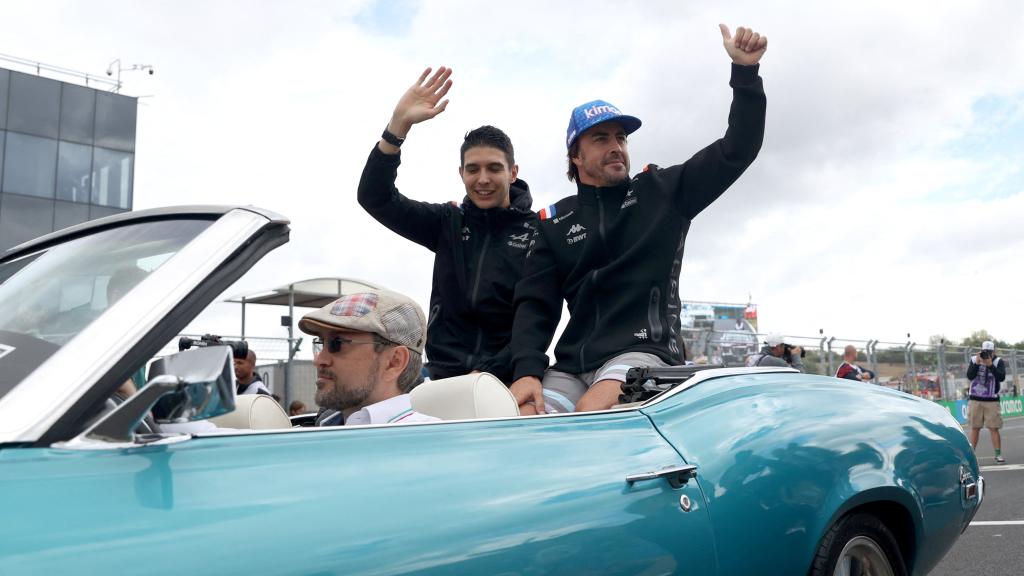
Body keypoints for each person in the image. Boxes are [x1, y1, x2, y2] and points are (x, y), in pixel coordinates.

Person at [509, 24, 768, 414]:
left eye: (621, 138)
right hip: (573, 365)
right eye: (601, 139)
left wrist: (745, 74)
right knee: (524, 419)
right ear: (575, 157)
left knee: (590, 412)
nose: (616, 147)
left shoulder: (663, 190)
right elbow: (535, 305)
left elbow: (737, 149)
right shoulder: (555, 222)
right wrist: (527, 370)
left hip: (644, 351)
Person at [357, 66, 537, 383]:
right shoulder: (446, 222)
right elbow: (375, 197)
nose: (483, 179)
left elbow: (538, 319)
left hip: (506, 377)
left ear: (513, 172)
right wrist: (398, 127)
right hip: (441, 375)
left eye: (494, 168)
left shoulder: (540, 234)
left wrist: (488, 374)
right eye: (473, 169)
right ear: (461, 174)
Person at [298, 287, 439, 426]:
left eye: (337, 343)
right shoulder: (324, 429)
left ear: (394, 362)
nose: (318, 360)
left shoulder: (430, 441)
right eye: (321, 342)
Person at [967, 340, 1006, 463]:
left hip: (992, 399)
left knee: (994, 428)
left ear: (994, 351)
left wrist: (990, 365)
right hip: (975, 399)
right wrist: (977, 364)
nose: (987, 355)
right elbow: (970, 375)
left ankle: (998, 454)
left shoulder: (998, 361)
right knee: (975, 427)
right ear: (981, 350)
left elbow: (1001, 377)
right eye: (985, 352)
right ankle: (971, 455)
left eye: (990, 352)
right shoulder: (974, 359)